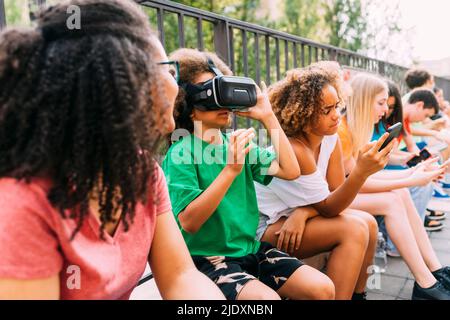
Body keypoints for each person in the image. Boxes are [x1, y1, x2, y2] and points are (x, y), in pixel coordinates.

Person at [0, 0, 225, 300]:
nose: (176, 82)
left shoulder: (143, 172)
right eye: (167, 69)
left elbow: (181, 277)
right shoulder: (22, 205)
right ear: (121, 84)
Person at [162, 48, 336, 300]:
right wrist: (231, 170)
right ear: (187, 105)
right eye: (209, 93)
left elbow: (290, 170)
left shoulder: (236, 143)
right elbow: (189, 222)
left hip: (250, 249)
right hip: (208, 258)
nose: (222, 102)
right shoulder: (181, 152)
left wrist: (268, 117)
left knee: (323, 288)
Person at [254, 65, 393, 300]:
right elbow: (330, 207)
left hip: (292, 217)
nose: (336, 115)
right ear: (304, 116)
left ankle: (358, 295)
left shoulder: (330, 139)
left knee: (368, 223)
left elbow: (336, 194)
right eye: (326, 110)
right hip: (265, 227)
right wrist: (360, 172)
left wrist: (305, 212)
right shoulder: (296, 148)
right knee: (354, 230)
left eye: (336, 106)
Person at [338, 73, 450, 300]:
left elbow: (358, 179)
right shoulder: (341, 132)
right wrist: (412, 178)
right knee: (393, 199)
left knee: (398, 193)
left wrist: (412, 172)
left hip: (341, 193)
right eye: (380, 103)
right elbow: (354, 183)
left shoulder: (352, 130)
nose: (384, 111)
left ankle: (434, 273)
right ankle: (426, 282)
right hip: (333, 197)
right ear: (362, 100)